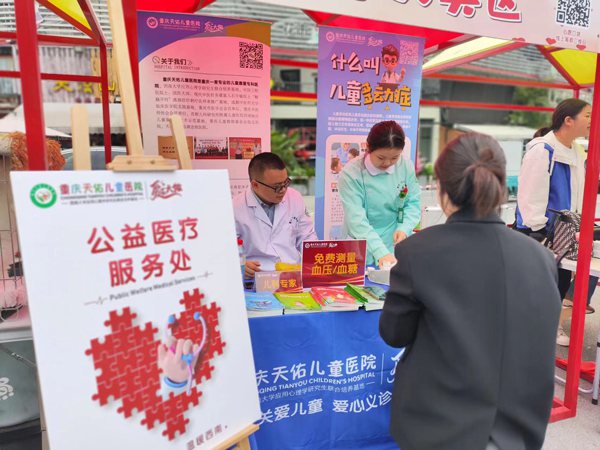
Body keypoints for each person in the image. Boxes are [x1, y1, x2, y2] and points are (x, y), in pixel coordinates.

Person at [380, 133, 561, 450]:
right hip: (518, 431)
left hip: (437, 425)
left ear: (442, 188)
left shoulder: (418, 252)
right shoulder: (542, 258)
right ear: (500, 186)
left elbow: (394, 333)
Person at [514, 98, 593, 346]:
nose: (592, 121)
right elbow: (530, 195)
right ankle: (524, 336)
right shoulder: (542, 150)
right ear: (568, 120)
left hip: (564, 232)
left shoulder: (577, 151)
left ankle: (547, 329)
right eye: (588, 116)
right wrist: (539, 230)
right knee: (536, 287)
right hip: (539, 233)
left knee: (559, 284)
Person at [338, 121, 420, 268]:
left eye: (394, 158)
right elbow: (356, 219)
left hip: (393, 241)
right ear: (368, 147)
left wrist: (404, 228)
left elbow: (413, 203)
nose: (387, 163)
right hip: (361, 244)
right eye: (381, 158)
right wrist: (379, 251)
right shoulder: (351, 173)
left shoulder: (405, 166)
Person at [233, 153, 317, 278]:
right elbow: (225, 251)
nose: (283, 190)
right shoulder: (235, 208)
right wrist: (239, 265)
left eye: (286, 183)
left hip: (293, 275)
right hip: (258, 277)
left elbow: (307, 237)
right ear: (255, 185)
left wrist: (315, 266)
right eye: (277, 187)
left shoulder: (294, 197)